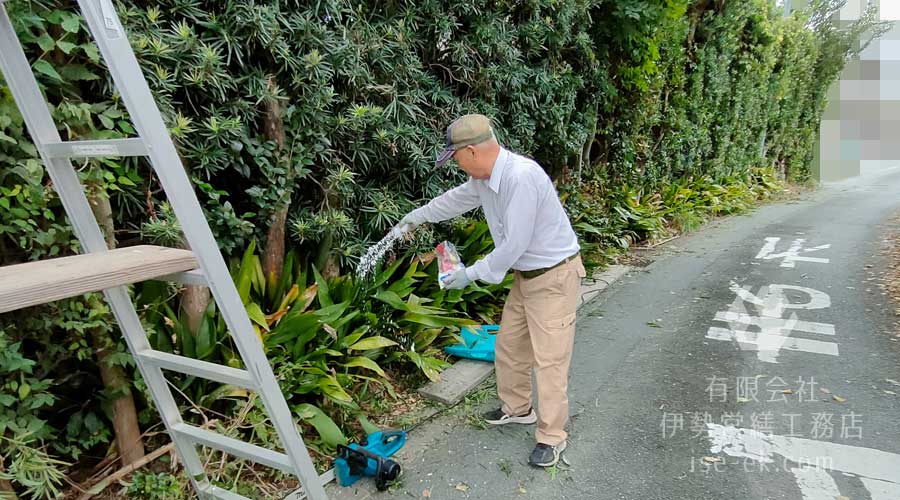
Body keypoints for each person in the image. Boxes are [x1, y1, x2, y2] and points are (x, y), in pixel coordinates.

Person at [392, 114, 586, 467]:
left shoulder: (520, 178)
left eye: (456, 158)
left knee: (550, 361)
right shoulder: (484, 178)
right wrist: (414, 217)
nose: (456, 165)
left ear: (472, 152)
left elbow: (514, 245)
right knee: (510, 346)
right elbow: (453, 200)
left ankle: (552, 435)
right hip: (527, 278)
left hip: (554, 278)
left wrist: (469, 275)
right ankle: (517, 409)